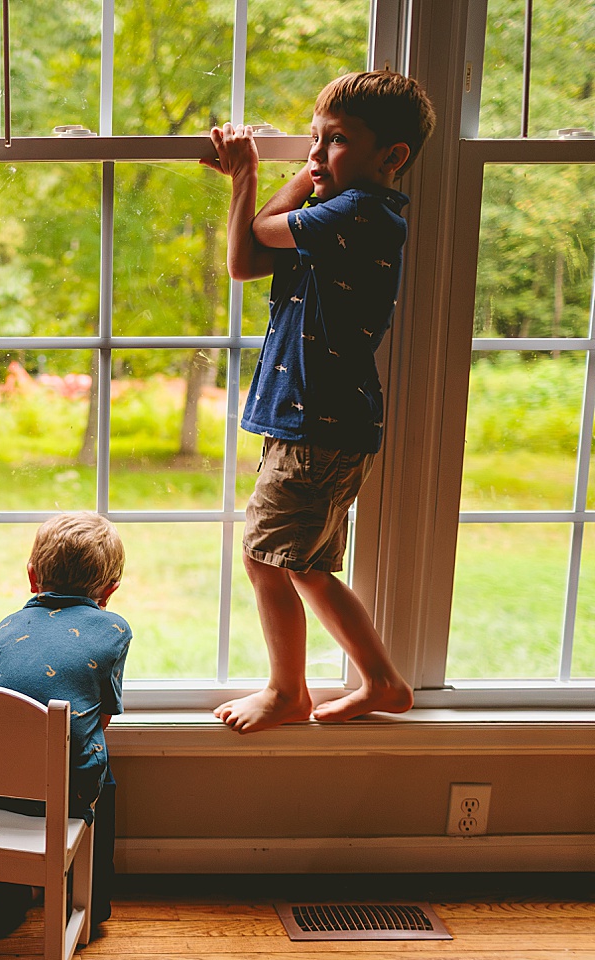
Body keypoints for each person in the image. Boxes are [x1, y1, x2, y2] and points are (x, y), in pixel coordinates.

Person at [201, 71, 435, 733]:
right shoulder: (337, 219)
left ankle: (287, 693)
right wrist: (268, 174)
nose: (313, 154)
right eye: (312, 138)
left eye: (334, 141)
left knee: (264, 558)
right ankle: (384, 681)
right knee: (303, 565)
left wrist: (256, 170)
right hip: (317, 422)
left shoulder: (359, 214)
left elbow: (265, 228)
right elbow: (248, 258)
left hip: (318, 425)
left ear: (392, 157)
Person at [0, 511, 131, 924]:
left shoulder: (6, 625)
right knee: (103, 779)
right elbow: (102, 719)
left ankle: (9, 894)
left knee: (4, 752)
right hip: (64, 796)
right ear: (109, 591)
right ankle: (94, 904)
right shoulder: (113, 629)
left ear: (32, 577)